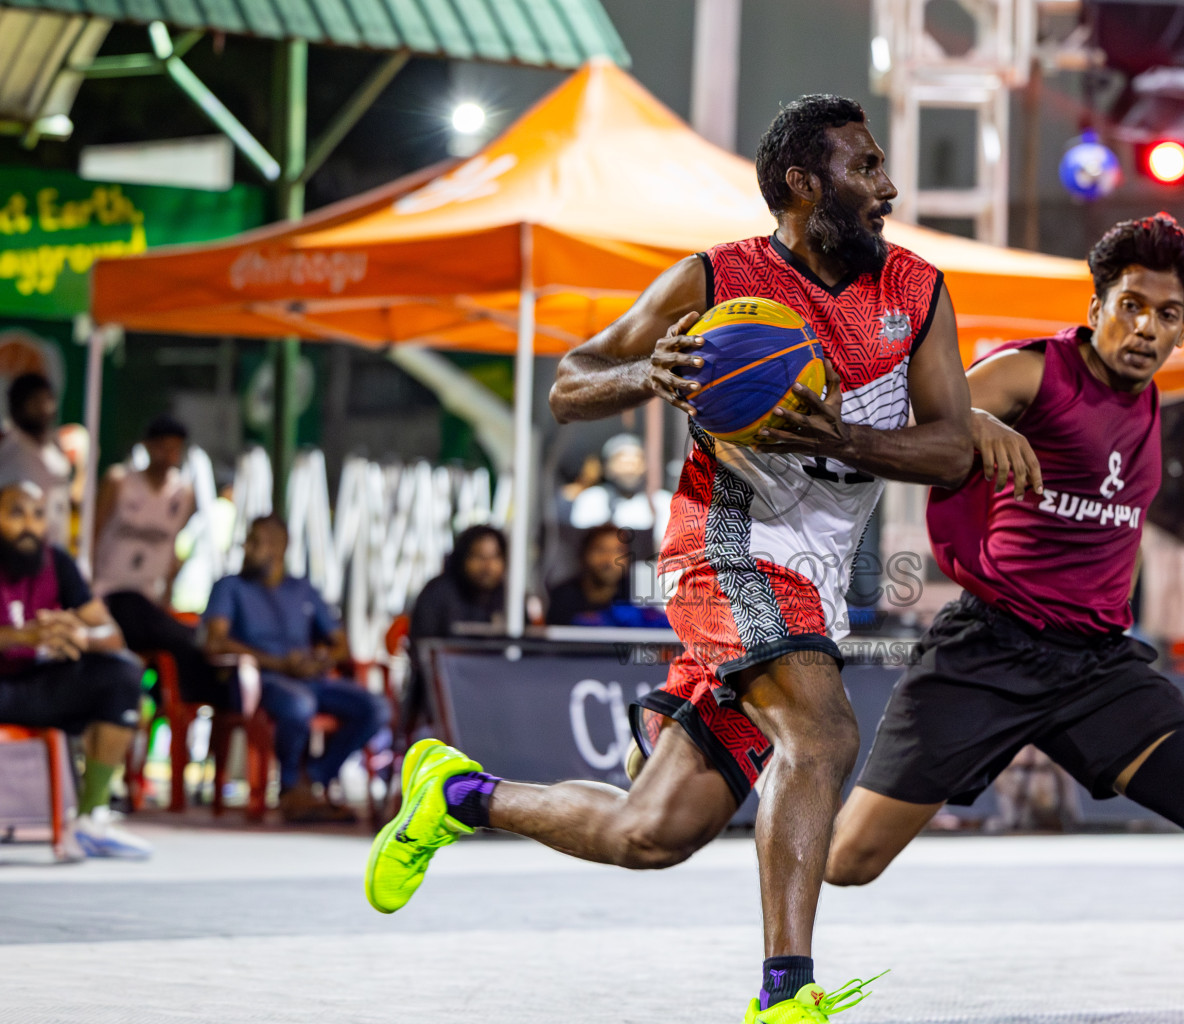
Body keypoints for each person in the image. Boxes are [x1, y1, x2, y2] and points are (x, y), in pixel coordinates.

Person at [365, 94, 974, 1022]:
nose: (888, 187)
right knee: (823, 736)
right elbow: (572, 383)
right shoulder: (715, 280)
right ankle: (786, 996)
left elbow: (951, 449)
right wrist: (643, 378)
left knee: (652, 832)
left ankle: (459, 794)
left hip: (812, 582)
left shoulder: (917, 293)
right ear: (805, 186)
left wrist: (844, 438)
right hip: (723, 547)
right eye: (867, 168)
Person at [821, 215, 1184, 1024]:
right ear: (1098, 304)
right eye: (1132, 305)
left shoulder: (1150, 410)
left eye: (1167, 314)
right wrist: (974, 420)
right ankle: (774, 793)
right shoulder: (1035, 372)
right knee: (848, 862)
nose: (1146, 327)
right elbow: (929, 421)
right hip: (989, 650)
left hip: (1098, 667)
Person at [0, 476, 152, 858]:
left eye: (37, 515)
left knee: (122, 673)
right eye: (15, 513)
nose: (29, 525)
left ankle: (87, 821)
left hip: (38, 685)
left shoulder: (57, 563)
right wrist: (24, 637)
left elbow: (111, 633)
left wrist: (80, 636)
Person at [204, 515, 388, 823]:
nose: (246, 549)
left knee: (376, 708)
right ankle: (290, 785)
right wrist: (278, 663)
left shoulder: (303, 589)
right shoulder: (230, 587)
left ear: (279, 548)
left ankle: (311, 780)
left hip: (311, 678)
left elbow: (340, 643)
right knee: (299, 703)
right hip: (262, 680)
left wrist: (320, 659)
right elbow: (215, 642)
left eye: (255, 542)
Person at [94, 416, 230, 710]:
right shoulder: (120, 482)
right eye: (162, 448)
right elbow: (93, 535)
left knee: (181, 639)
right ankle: (188, 697)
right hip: (110, 594)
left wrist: (166, 595)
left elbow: (171, 551)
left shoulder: (182, 494)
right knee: (185, 637)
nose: (167, 456)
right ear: (148, 447)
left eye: (174, 450)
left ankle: (170, 701)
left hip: (148, 600)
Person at [404, 524, 508, 733]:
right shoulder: (437, 593)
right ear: (462, 558)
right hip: (442, 697)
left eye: (494, 557)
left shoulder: (509, 598)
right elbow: (421, 651)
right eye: (479, 557)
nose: (488, 566)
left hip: (500, 696)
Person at [568, 433, 670, 562]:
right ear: (607, 467)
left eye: (635, 462)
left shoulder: (662, 501)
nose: (629, 469)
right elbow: (584, 545)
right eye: (622, 463)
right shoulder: (591, 499)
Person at [545, 524, 669, 628]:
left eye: (618, 551)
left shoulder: (639, 600)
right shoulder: (562, 597)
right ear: (583, 554)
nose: (609, 560)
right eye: (600, 550)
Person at [0, 374, 72, 547]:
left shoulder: (55, 450)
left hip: (53, 554)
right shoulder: (9, 453)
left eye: (47, 399)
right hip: (17, 556)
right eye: (34, 401)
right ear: (17, 405)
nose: (44, 408)